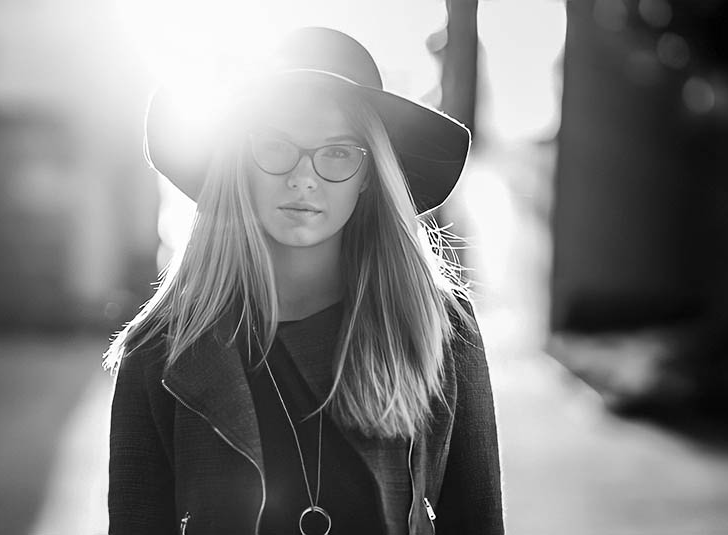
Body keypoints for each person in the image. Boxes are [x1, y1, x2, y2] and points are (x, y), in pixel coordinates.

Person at [105, 26, 504, 535]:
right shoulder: (160, 350)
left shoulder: (439, 328)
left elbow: (479, 522)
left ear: (369, 176)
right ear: (239, 161)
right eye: (276, 145)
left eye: (338, 152)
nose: (304, 177)